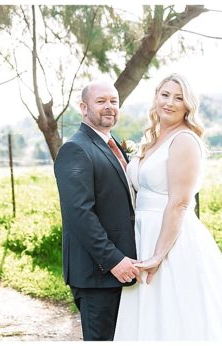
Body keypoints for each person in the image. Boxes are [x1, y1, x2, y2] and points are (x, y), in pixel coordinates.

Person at [114, 74, 222, 340]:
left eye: (178, 98)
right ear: (156, 97)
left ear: (188, 106)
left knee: (178, 312)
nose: (169, 102)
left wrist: (158, 255)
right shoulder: (153, 139)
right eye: (165, 95)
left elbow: (179, 203)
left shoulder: (184, 140)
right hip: (143, 234)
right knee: (147, 314)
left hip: (170, 238)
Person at [54, 82, 138, 341]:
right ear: (83, 108)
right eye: (101, 101)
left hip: (124, 268)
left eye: (114, 101)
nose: (109, 107)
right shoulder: (76, 148)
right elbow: (79, 214)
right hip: (97, 274)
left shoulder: (112, 143)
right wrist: (113, 260)